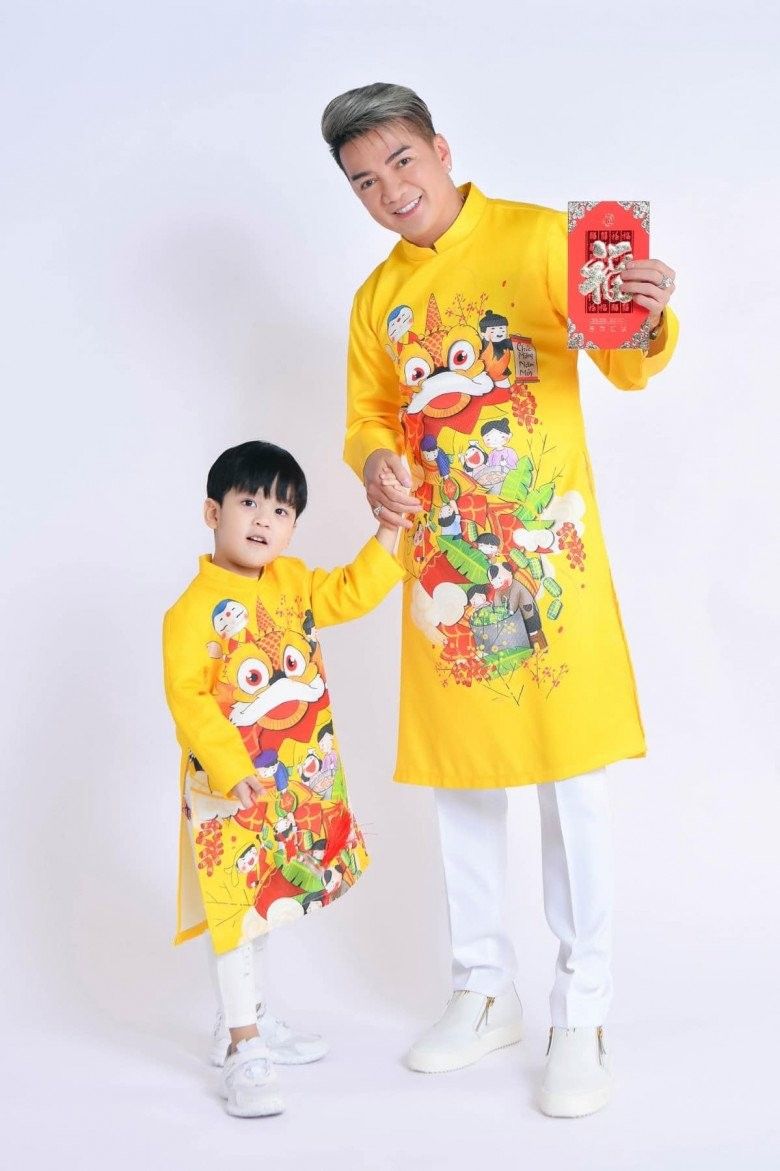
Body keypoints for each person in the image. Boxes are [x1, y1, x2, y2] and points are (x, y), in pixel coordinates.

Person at [321, 82, 679, 1117]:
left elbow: (626, 362)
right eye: (363, 182)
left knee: (573, 787)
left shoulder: (537, 241)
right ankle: (484, 990)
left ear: (440, 149)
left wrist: (649, 317)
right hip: (446, 576)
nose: (390, 190)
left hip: (549, 569)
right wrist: (376, 460)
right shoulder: (375, 300)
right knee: (463, 783)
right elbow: (368, 413)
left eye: (400, 161)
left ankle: (583, 1010)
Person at [162, 440, 404, 1117]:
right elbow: (189, 700)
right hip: (223, 793)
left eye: (281, 510)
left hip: (286, 786)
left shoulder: (293, 582)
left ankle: (248, 1019)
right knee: (233, 916)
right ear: (213, 512)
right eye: (249, 503)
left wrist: (388, 531)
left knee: (262, 906)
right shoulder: (189, 612)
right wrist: (231, 769)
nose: (264, 520)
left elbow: (352, 591)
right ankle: (245, 1049)